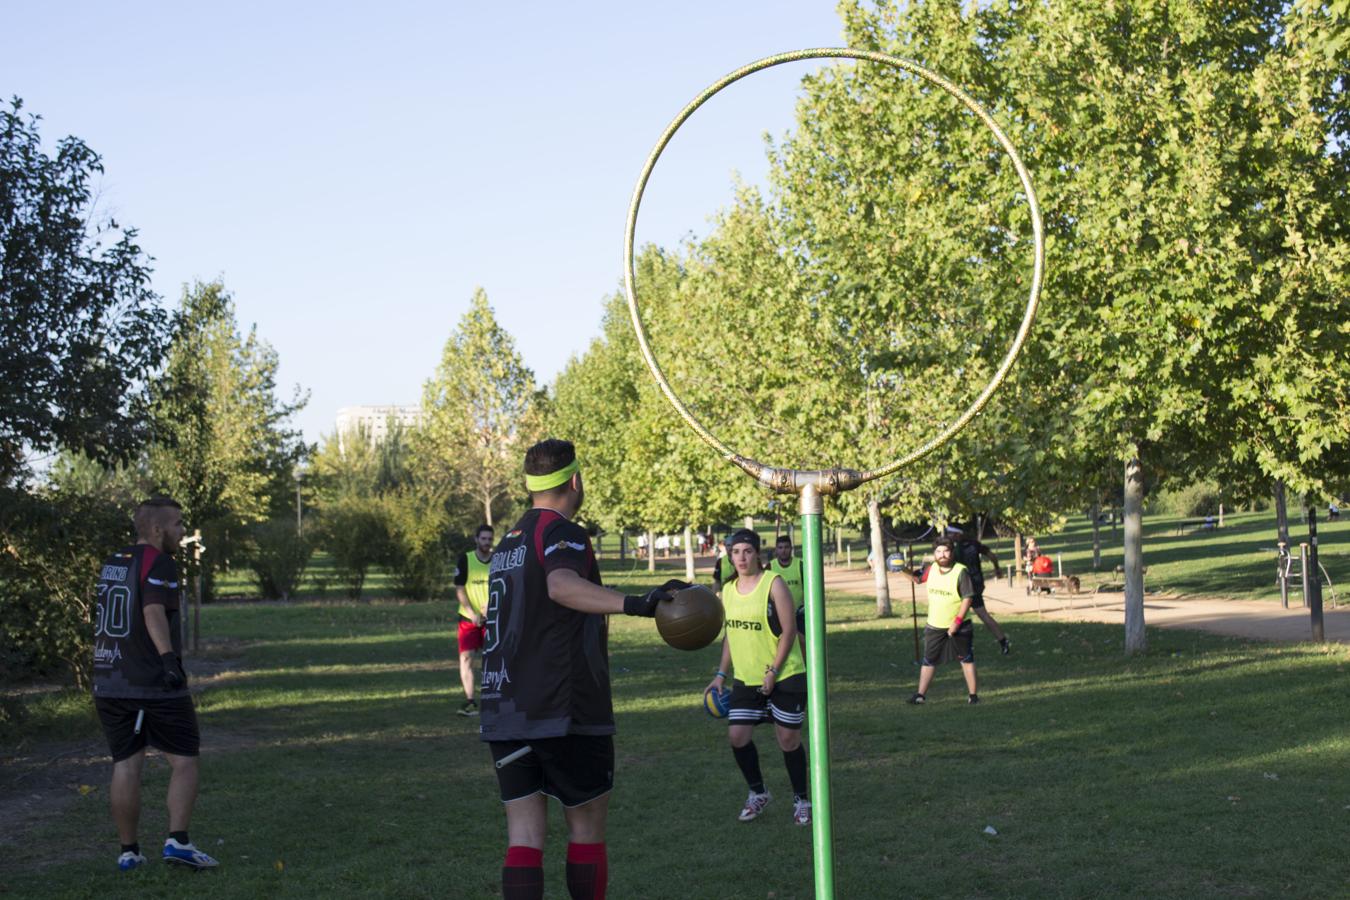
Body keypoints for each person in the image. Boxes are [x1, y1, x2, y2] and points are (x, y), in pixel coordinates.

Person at [479, 438, 687, 900]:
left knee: (524, 838)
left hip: (506, 706)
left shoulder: (509, 541)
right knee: (586, 829)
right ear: (575, 480)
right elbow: (561, 585)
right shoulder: (561, 530)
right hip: (563, 707)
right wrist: (637, 604)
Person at [92, 497, 218, 871]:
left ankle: (128, 852)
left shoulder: (114, 562)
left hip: (109, 680)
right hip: (151, 680)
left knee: (126, 764)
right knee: (184, 759)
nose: (182, 532)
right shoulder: (159, 561)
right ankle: (178, 841)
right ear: (158, 529)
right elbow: (151, 611)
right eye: (178, 524)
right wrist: (168, 661)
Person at [705, 528, 811, 826]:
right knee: (737, 737)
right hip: (747, 679)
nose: (741, 557)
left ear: (758, 554)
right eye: (735, 551)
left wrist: (774, 671)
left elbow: (789, 632)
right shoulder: (727, 589)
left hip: (786, 674)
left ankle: (802, 799)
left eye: (747, 551)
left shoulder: (772, 584)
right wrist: (721, 674)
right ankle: (758, 793)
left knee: (787, 739)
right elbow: (730, 635)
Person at [896, 536, 980, 705]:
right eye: (938, 551)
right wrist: (901, 568)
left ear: (952, 553)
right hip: (934, 624)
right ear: (934, 553)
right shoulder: (931, 568)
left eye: (946, 551)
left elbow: (968, 598)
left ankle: (973, 696)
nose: (942, 555)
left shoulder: (960, 571)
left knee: (966, 658)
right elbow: (917, 579)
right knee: (928, 659)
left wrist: (957, 621)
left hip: (959, 625)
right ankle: (920, 695)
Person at [947, 524, 1010, 654]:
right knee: (983, 615)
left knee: (954, 616)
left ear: (958, 534)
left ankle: (953, 646)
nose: (948, 536)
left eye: (950, 534)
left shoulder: (954, 549)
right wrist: (997, 569)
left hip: (962, 586)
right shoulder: (974, 544)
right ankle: (1003, 642)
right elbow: (992, 555)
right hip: (976, 585)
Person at [452, 524, 493, 717]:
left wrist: (490, 606)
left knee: (494, 660)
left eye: (489, 539)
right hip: (469, 619)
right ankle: (470, 702)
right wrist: (472, 612)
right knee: (466, 658)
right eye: (483, 539)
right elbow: (460, 589)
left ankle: (495, 700)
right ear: (476, 539)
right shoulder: (465, 560)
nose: (486, 542)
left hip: (492, 619)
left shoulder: (497, 561)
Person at [770, 535, 808, 658]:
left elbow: (809, 588)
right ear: (776, 549)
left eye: (786, 547)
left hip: (799, 614)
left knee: (803, 643)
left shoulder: (800, 566)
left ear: (791, 548)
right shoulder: (770, 567)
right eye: (780, 547)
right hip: (778, 615)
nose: (783, 550)